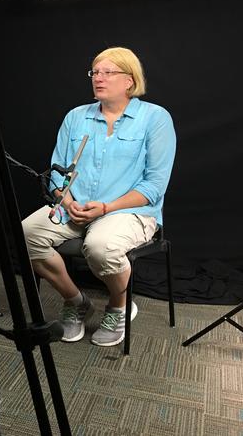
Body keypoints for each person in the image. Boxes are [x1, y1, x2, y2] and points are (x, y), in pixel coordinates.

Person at [22, 47, 175, 347]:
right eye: (95, 72)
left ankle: (118, 307)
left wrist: (106, 207)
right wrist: (67, 201)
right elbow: (57, 172)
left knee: (100, 246)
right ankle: (76, 300)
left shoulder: (155, 119)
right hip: (74, 207)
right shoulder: (76, 117)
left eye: (108, 72)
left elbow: (154, 186)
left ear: (129, 81)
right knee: (25, 234)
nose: (98, 78)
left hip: (127, 213)